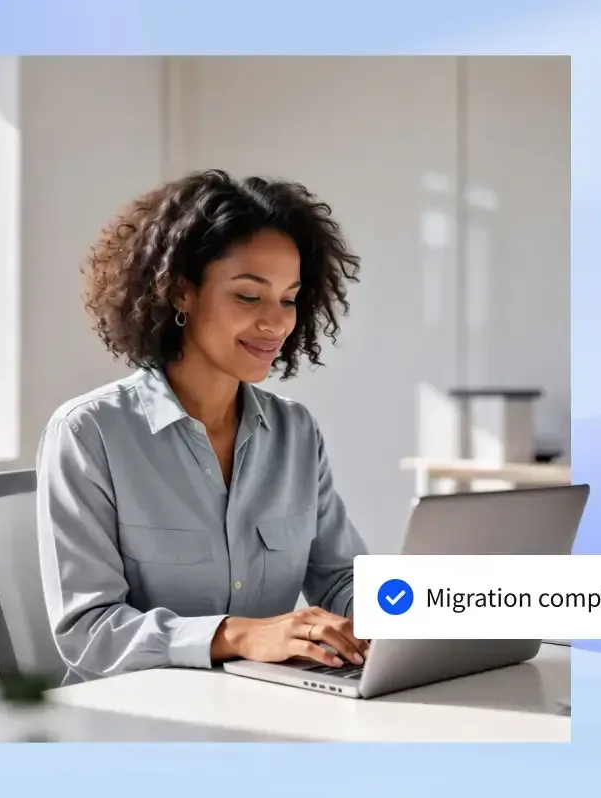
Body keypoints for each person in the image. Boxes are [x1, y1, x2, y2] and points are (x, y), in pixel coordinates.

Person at [36, 169, 370, 686]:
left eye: (288, 298)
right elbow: (89, 630)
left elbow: (340, 577)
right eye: (248, 296)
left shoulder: (295, 432)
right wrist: (236, 635)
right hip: (137, 724)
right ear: (181, 293)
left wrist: (440, 611)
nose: (277, 322)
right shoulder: (90, 433)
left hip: (268, 710)